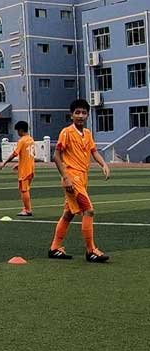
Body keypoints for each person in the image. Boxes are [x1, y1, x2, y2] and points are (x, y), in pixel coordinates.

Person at [48, 99, 111, 262]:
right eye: (77, 112)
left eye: (84, 113)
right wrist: (65, 177)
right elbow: (56, 155)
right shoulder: (66, 132)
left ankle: (54, 248)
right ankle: (91, 251)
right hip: (72, 177)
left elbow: (94, 151)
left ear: (88, 115)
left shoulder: (88, 133)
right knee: (88, 210)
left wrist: (104, 164)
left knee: (68, 214)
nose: (81, 116)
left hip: (82, 178)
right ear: (71, 115)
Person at [0, 121, 36, 217]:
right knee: (25, 189)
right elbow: (30, 155)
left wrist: (5, 162)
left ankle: (28, 210)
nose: (17, 133)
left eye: (17, 131)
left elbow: (15, 154)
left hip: (25, 170)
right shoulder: (31, 139)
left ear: (20, 130)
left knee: (24, 190)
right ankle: (26, 208)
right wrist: (19, 164)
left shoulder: (22, 140)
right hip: (31, 168)